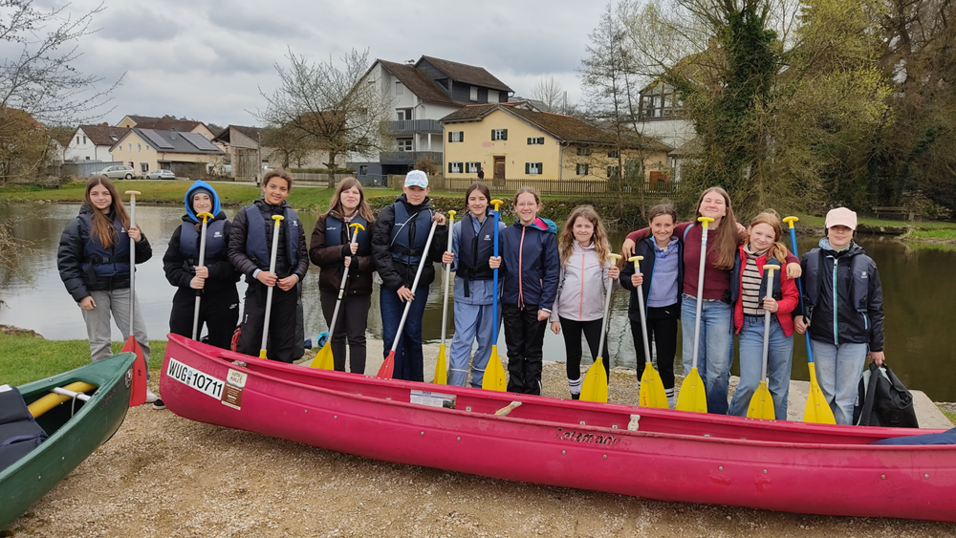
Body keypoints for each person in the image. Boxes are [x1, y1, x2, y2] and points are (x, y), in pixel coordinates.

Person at [621, 187, 799, 414]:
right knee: (692, 363)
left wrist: (793, 259)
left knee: (717, 367)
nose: (712, 204)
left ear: (726, 210)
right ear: (700, 205)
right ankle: (695, 411)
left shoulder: (737, 235)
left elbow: (770, 244)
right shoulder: (687, 230)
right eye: (708, 200)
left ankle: (716, 414)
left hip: (720, 307)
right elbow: (660, 228)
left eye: (718, 202)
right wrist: (631, 237)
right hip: (690, 304)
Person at [57, 176, 158, 404]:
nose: (101, 198)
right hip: (94, 291)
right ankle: (108, 390)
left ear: (112, 195)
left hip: (123, 287)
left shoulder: (125, 220)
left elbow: (143, 256)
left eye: (105, 193)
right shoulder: (78, 225)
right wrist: (81, 295)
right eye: (95, 194)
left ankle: (141, 384)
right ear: (88, 197)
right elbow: (67, 263)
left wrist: (139, 240)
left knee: (138, 337)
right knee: (101, 342)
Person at [794, 207, 885, 425]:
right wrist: (798, 314)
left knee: (846, 396)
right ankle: (822, 434)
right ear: (827, 229)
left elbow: (876, 307)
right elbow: (797, 293)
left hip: (855, 339)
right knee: (825, 393)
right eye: (836, 227)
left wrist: (877, 346)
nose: (840, 232)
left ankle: (842, 437)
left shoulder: (867, 264)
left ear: (853, 231)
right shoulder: (810, 259)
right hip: (821, 336)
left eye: (846, 228)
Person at [371, 170, 447, 382]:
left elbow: (438, 255)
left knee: (413, 333)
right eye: (412, 189)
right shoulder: (389, 213)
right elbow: (379, 251)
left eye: (420, 189)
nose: (416, 193)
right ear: (404, 189)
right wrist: (396, 284)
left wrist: (440, 229)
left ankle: (415, 382)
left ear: (427, 191)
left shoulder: (433, 217)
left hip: (418, 284)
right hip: (392, 284)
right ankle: (394, 381)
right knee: (391, 336)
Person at [228, 170, 309, 363]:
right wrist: (257, 273)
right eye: (273, 187)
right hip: (259, 287)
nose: (277, 192)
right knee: (249, 340)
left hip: (285, 289)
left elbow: (303, 257)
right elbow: (234, 252)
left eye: (283, 189)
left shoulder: (294, 219)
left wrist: (295, 277)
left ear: (288, 192)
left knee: (283, 344)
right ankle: (245, 379)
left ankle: (277, 382)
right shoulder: (245, 215)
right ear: (264, 187)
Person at [727, 212, 799, 420]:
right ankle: (734, 422)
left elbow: (793, 298)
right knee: (749, 382)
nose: (762, 239)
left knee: (778, 386)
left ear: (775, 239)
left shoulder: (781, 260)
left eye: (769, 237)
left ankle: (777, 428)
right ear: (749, 231)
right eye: (758, 233)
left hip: (778, 326)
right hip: (750, 327)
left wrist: (778, 306)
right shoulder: (736, 255)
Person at [489, 187, 560, 395]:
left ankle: (532, 390)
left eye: (530, 203)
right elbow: (502, 268)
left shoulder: (546, 236)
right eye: (522, 204)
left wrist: (546, 305)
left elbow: (552, 273)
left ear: (538, 206)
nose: (526, 207)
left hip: (535, 302)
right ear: (515, 207)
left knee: (533, 350)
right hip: (511, 300)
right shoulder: (505, 234)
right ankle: (515, 389)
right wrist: (496, 264)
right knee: (514, 349)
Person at [549, 206, 620, 399]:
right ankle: (575, 395)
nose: (582, 230)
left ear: (594, 228)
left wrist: (615, 277)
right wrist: (554, 316)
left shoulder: (603, 250)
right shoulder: (564, 250)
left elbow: (609, 287)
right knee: (573, 355)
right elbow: (555, 284)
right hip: (567, 313)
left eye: (587, 226)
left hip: (594, 314)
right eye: (578, 225)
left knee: (602, 355)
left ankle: (600, 391)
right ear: (572, 228)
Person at [309, 177, 376, 373]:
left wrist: (357, 262)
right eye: (346, 191)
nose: (350, 195)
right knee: (336, 335)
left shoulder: (370, 223)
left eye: (355, 192)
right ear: (339, 195)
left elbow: (377, 259)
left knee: (356, 337)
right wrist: (342, 251)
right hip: (331, 288)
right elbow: (315, 254)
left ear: (360, 197)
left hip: (359, 290)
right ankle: (338, 374)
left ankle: (356, 380)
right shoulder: (324, 220)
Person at [441, 182, 504, 387]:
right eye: (473, 199)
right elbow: (453, 263)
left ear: (488, 201)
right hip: (465, 294)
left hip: (492, 293)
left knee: (486, 341)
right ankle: (456, 385)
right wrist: (447, 261)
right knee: (462, 340)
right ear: (467, 202)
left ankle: (479, 384)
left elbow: (509, 264)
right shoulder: (458, 228)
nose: (477, 203)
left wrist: (499, 264)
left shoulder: (500, 228)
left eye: (481, 199)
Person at [163, 181, 240, 350]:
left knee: (221, 345)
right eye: (196, 199)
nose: (202, 202)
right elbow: (170, 264)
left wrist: (211, 271)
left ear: (213, 202)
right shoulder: (181, 231)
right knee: (181, 342)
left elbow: (236, 266)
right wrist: (188, 280)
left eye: (206, 198)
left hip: (222, 295)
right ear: (191, 203)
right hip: (188, 294)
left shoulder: (228, 228)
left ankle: (217, 374)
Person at [619, 203, 682, 408]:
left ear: (674, 225)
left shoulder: (681, 246)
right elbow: (624, 276)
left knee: (665, 361)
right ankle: (644, 398)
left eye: (667, 225)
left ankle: (669, 402)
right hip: (641, 312)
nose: (662, 230)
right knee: (643, 358)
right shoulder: (640, 246)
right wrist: (631, 282)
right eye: (657, 225)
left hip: (668, 311)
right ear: (649, 224)